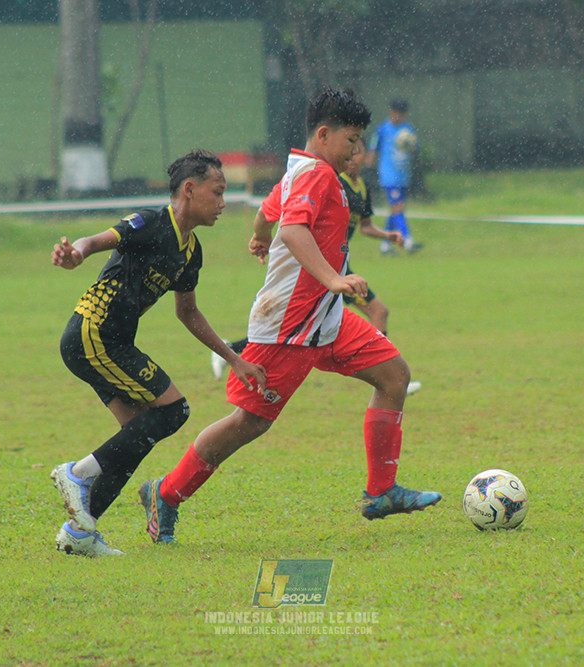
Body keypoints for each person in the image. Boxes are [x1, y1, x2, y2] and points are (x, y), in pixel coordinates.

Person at [140, 88, 441, 545]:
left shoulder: (299, 170)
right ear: (324, 134)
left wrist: (260, 238)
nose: (357, 151)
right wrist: (334, 279)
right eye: (351, 140)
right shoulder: (316, 176)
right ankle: (165, 492)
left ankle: (381, 492)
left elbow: (268, 213)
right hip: (290, 326)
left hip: (327, 321)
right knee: (250, 422)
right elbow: (294, 228)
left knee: (394, 376)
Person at [49, 149, 267, 557]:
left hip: (113, 344)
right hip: (92, 333)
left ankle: (80, 533)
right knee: (174, 411)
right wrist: (75, 255)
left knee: (140, 433)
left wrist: (234, 359)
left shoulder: (191, 252)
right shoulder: (150, 223)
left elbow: (188, 312)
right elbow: (95, 241)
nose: (223, 203)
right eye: (217, 192)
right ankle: (77, 473)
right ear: (190, 189)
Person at [210, 143, 422, 394]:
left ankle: (231, 350)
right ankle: (386, 374)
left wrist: (387, 236)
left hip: (338, 266)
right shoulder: (327, 178)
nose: (354, 155)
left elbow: (365, 226)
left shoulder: (361, 188)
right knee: (372, 312)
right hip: (324, 267)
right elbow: (286, 218)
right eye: (350, 145)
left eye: (360, 149)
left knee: (315, 325)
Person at [367, 97, 421, 254]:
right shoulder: (382, 130)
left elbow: (415, 149)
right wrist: (368, 170)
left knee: (395, 210)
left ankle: (385, 245)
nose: (400, 116)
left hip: (403, 176)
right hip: (389, 177)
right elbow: (372, 151)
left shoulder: (408, 130)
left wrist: (410, 146)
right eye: (397, 113)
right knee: (398, 208)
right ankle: (408, 240)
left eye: (402, 114)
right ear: (391, 112)